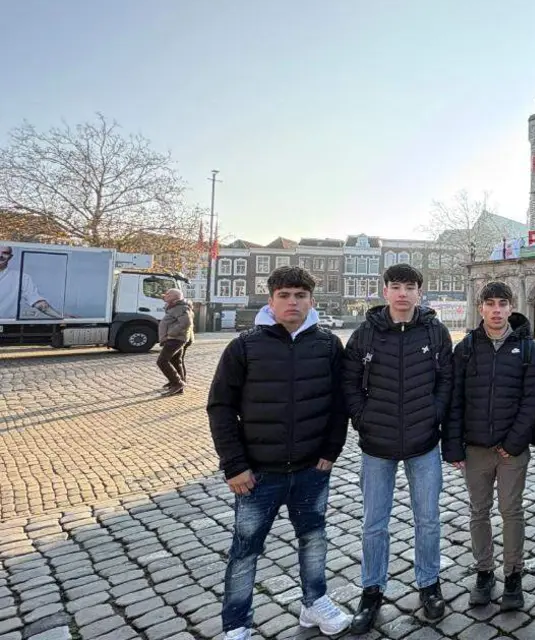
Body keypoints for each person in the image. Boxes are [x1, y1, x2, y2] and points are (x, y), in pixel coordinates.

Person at [206, 266, 351, 640]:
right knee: (245, 550)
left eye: (300, 296)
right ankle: (236, 624)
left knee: (314, 539)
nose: (293, 303)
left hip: (310, 468)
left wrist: (330, 450)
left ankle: (314, 602)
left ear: (311, 300)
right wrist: (234, 464)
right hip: (259, 471)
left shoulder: (328, 344)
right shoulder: (245, 345)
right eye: (284, 295)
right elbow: (221, 406)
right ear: (271, 299)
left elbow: (340, 403)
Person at [344, 264, 454, 632]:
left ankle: (429, 584)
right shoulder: (365, 335)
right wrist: (362, 417)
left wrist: (434, 414)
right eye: (396, 286)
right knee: (374, 523)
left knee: (428, 520)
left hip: (423, 443)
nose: (403, 293)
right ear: (386, 291)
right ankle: (371, 590)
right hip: (377, 445)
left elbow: (446, 380)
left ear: (419, 292)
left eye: (409, 286)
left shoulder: (436, 332)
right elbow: (349, 381)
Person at [443, 281, 535, 611]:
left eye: (503, 304)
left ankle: (513, 574)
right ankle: (484, 572)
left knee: (511, 512)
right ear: (481, 308)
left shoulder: (528, 349)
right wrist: (453, 446)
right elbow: (455, 399)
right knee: (478, 512)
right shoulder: (467, 348)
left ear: (511, 308)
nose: (497, 310)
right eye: (491, 304)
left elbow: (532, 401)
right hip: (475, 447)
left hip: (511, 450)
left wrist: (513, 442)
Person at [0, 245, 61, 320]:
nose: (0, 255)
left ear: (10, 256)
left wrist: (61, 316)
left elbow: (38, 303)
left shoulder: (21, 278)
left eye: (5, 253)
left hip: (7, 327)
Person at [157, 287, 194, 396]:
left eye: (168, 294)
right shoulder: (175, 306)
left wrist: (171, 333)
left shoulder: (180, 307)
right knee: (175, 361)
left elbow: (186, 322)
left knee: (162, 361)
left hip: (175, 339)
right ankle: (179, 385)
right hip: (174, 338)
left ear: (174, 298)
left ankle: (177, 383)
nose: (165, 295)